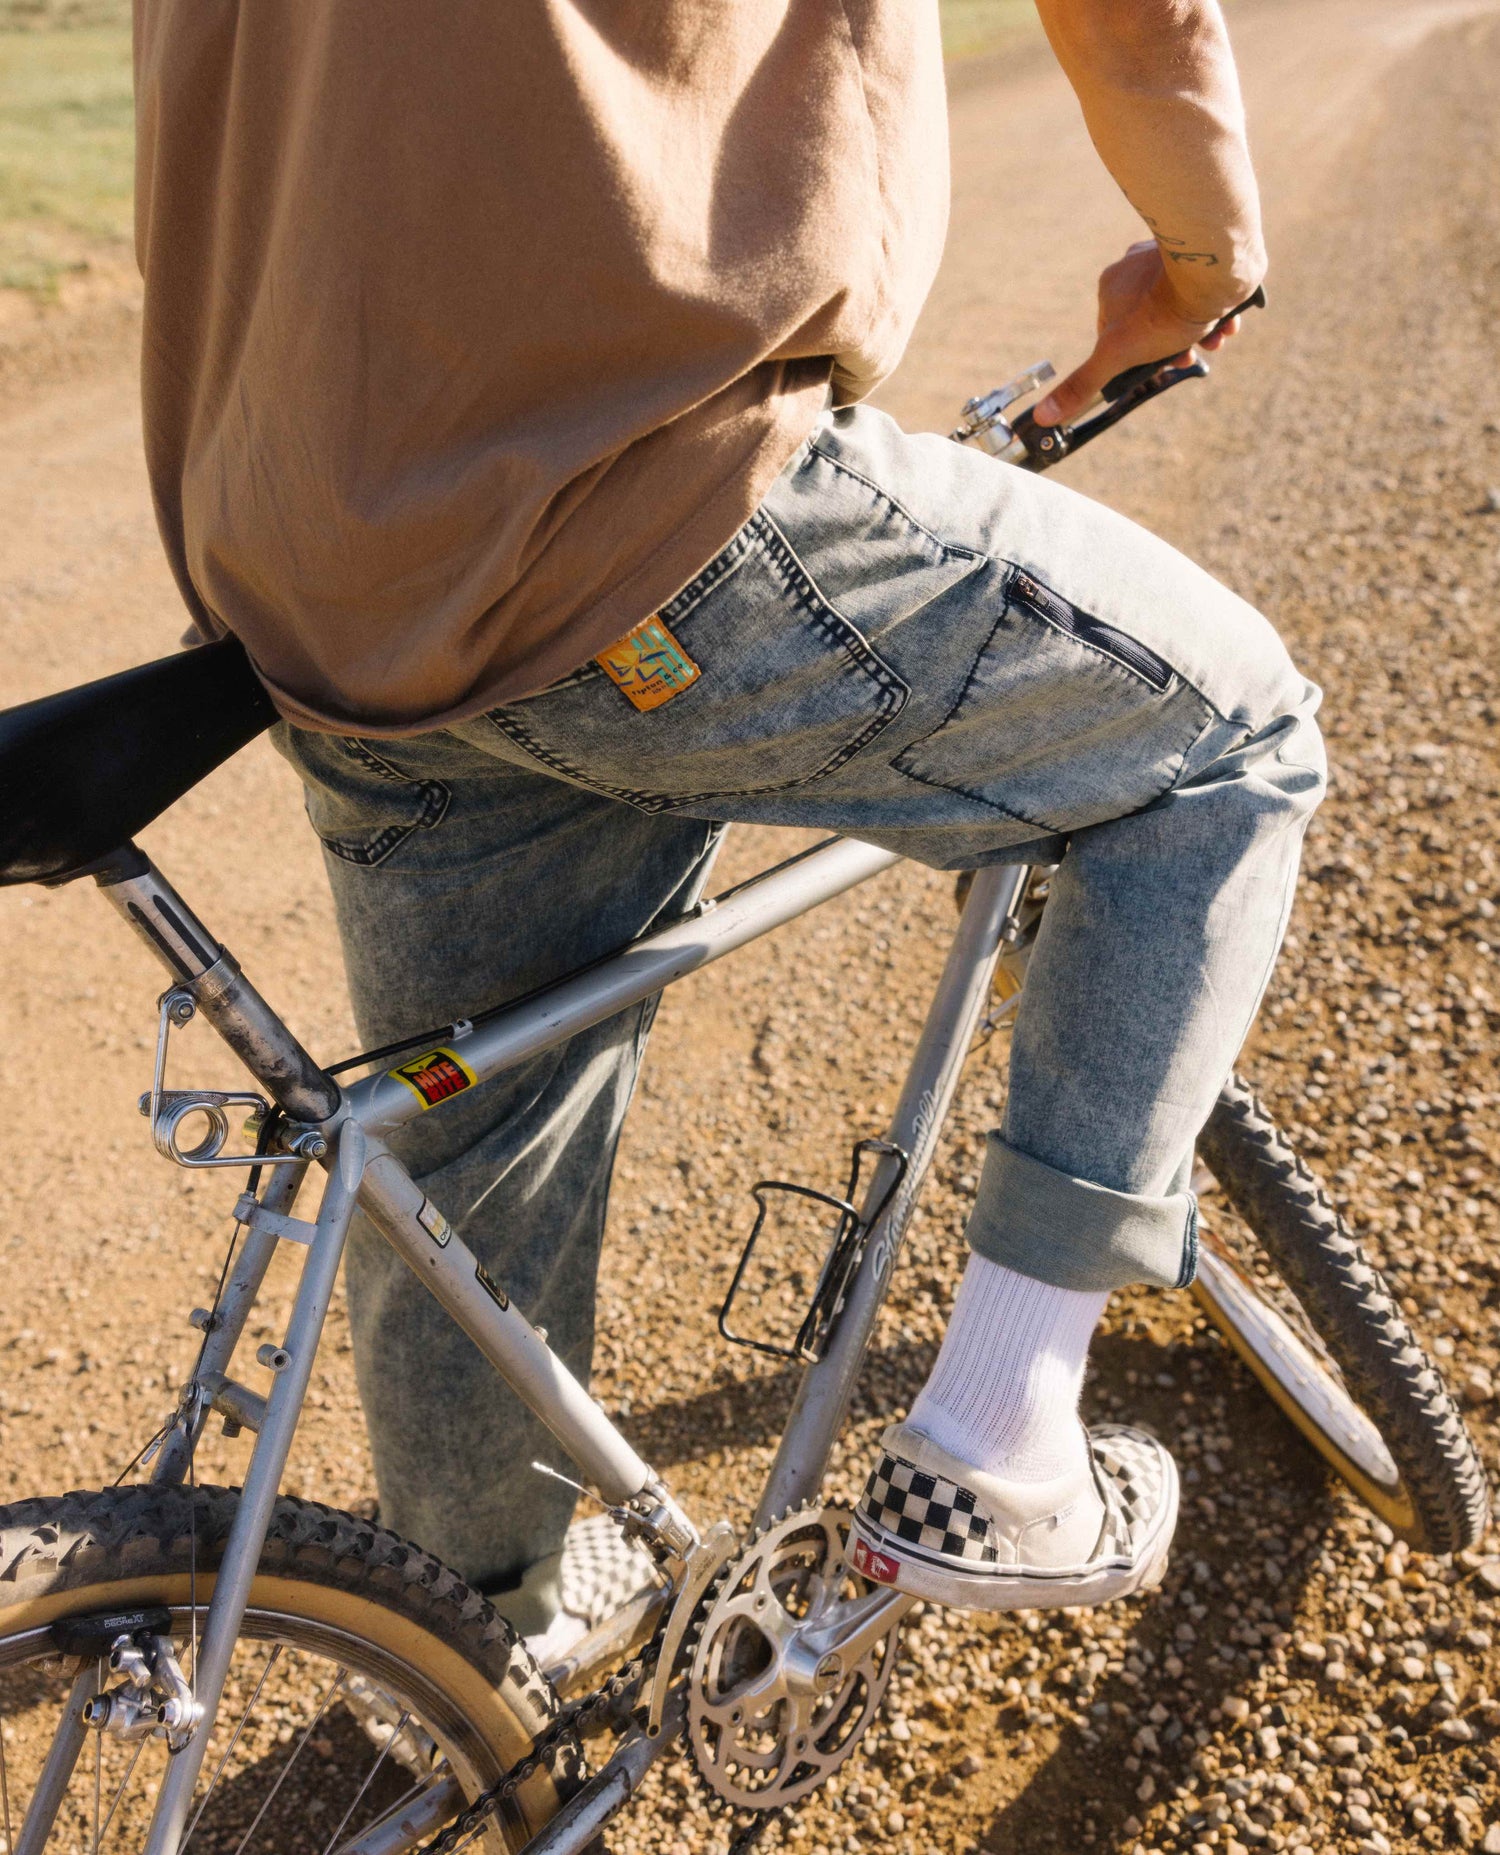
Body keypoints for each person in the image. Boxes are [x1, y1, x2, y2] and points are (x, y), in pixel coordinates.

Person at [132, 0, 1324, 1651]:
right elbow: (1145, 24)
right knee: (1227, 738)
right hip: (638, 500)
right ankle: (1003, 1436)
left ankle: (475, 1637)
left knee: (487, 1112)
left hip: (300, 545)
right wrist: (1203, 268)